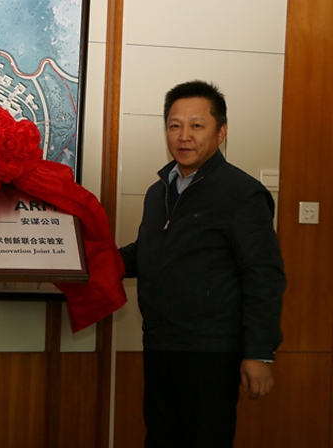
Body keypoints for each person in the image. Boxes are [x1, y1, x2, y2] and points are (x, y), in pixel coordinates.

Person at [120, 80, 285, 448]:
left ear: (221, 132)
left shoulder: (241, 193)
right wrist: (87, 260)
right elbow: (149, 252)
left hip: (211, 351)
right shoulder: (158, 191)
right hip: (160, 343)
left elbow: (264, 275)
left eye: (197, 125)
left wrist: (259, 352)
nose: (184, 136)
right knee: (161, 440)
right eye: (174, 125)